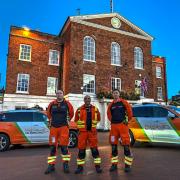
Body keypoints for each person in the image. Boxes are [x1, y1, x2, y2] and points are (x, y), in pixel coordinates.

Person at [44, 90, 74, 174]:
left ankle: (65, 165)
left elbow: (71, 113)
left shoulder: (67, 104)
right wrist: (51, 122)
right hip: (54, 128)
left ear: (63, 95)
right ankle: (51, 165)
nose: (59, 94)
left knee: (64, 148)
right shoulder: (51, 104)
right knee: (53, 147)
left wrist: (67, 121)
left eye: (60, 93)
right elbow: (48, 114)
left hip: (63, 128)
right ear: (56, 95)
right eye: (57, 93)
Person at [74, 95, 102, 174]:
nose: (87, 100)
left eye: (88, 98)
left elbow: (98, 119)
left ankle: (98, 167)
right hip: (82, 133)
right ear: (84, 100)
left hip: (92, 133)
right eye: (85, 98)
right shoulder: (79, 110)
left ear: (90, 100)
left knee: (94, 150)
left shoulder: (95, 109)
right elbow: (76, 120)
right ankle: (80, 167)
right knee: (81, 150)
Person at [107, 89, 133, 172]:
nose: (115, 94)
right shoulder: (111, 105)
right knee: (113, 146)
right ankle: (114, 165)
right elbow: (109, 114)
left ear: (119, 94)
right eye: (114, 93)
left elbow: (129, 111)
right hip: (114, 127)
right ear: (112, 95)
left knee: (126, 145)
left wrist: (127, 120)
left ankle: (127, 165)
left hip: (123, 126)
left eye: (116, 93)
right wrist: (112, 121)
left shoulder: (124, 102)